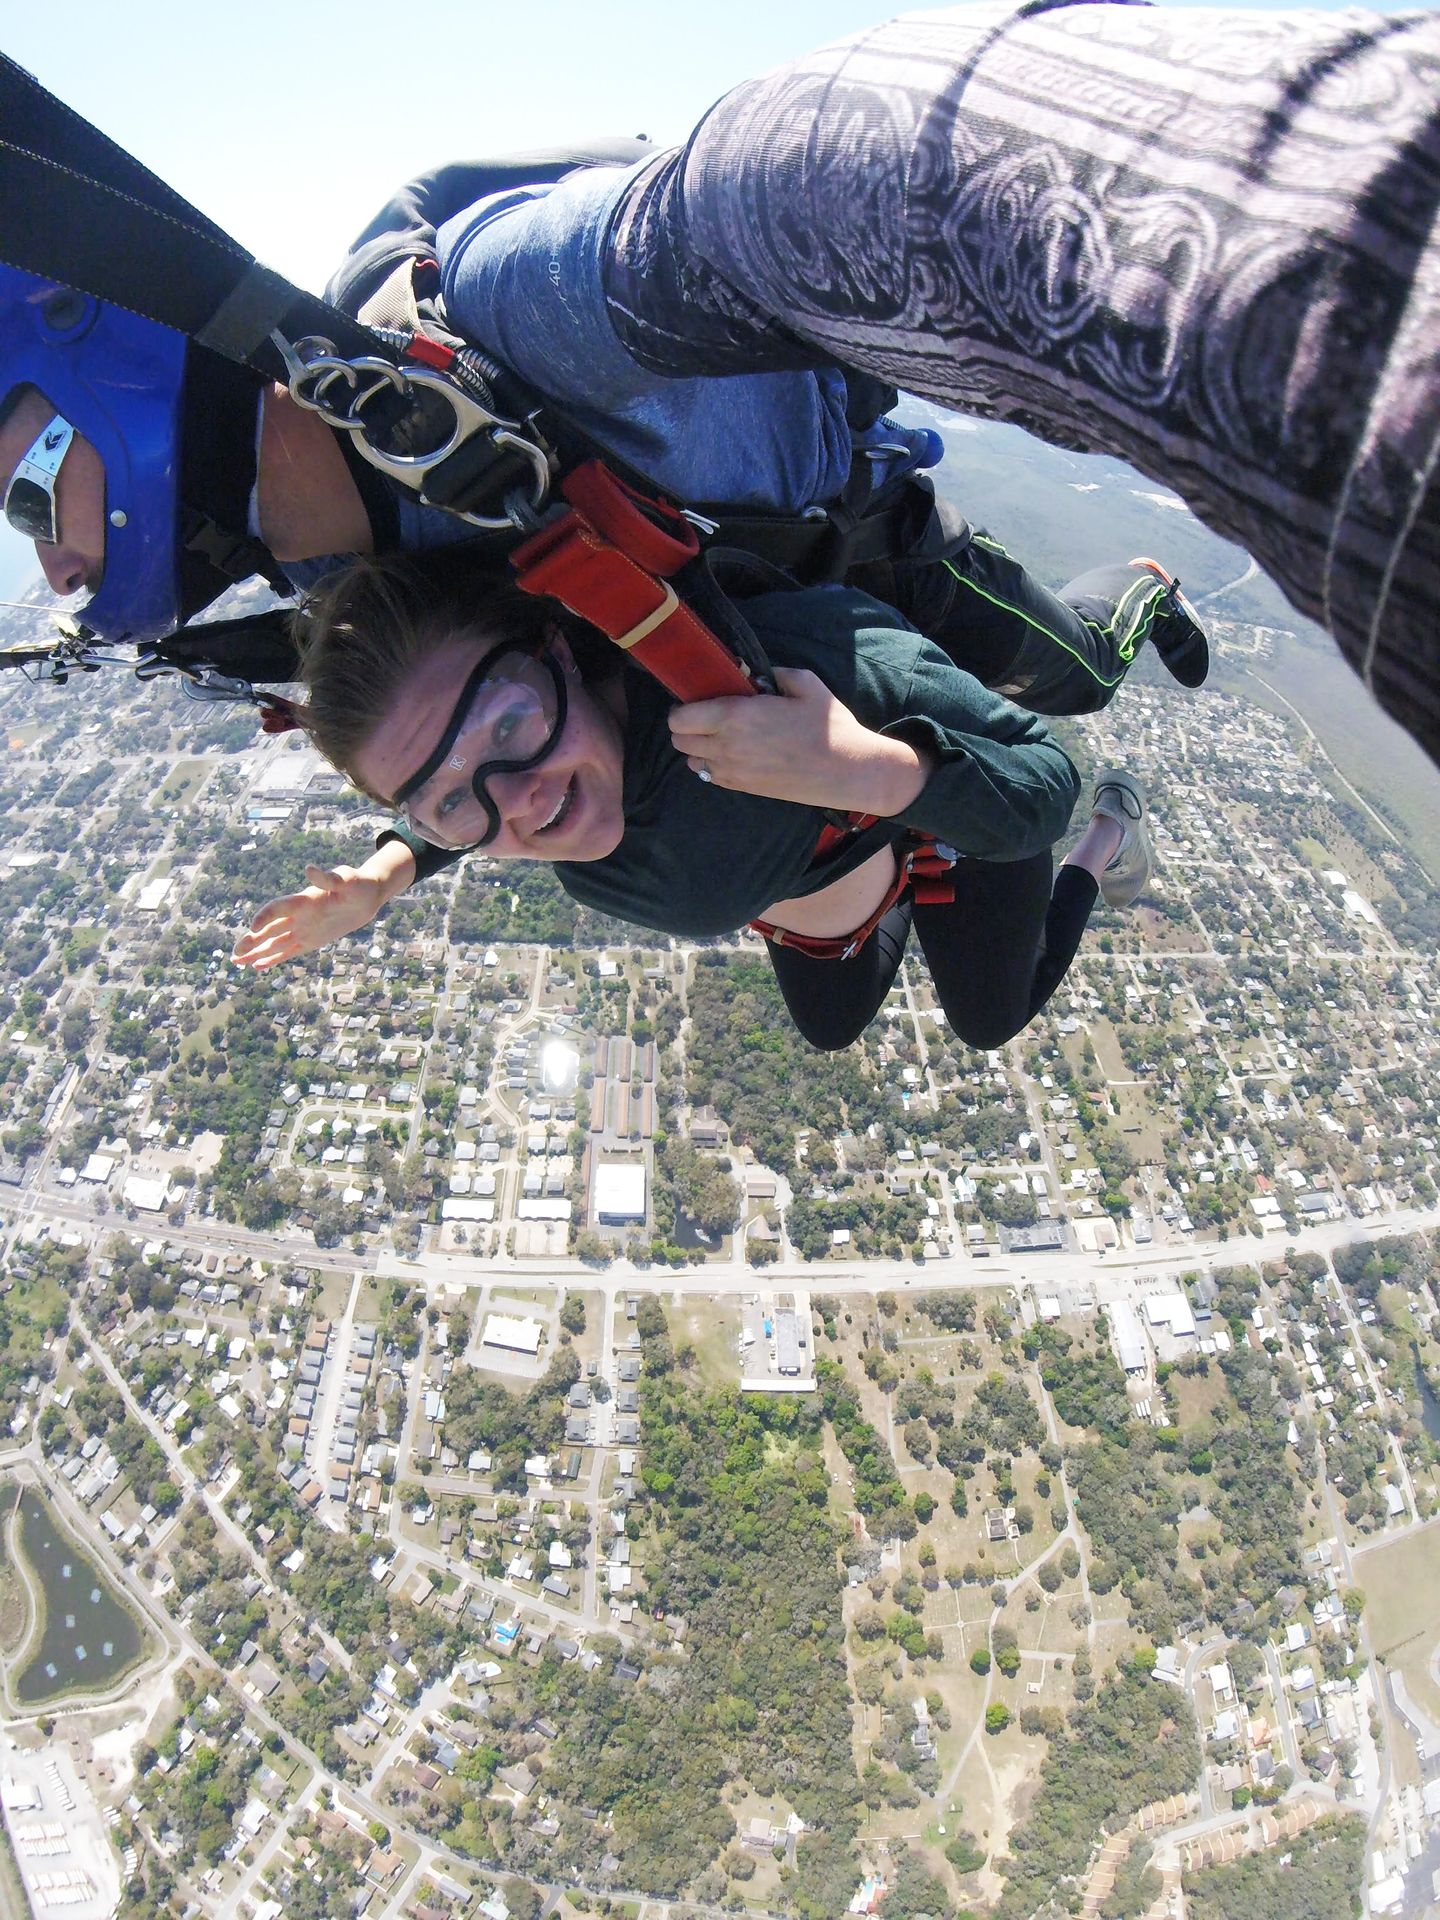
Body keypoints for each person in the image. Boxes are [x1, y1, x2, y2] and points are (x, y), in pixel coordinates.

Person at [233, 557, 1156, 1053]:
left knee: (988, 1021)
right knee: (830, 1030)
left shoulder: (758, 680)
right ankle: (892, 866)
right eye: (444, 805)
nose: (521, 801)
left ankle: (1112, 837)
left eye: (510, 724)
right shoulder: (510, 784)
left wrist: (864, 769)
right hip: (829, 877)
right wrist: (384, 875)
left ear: (563, 651)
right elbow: (466, 785)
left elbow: (1040, 778)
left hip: (950, 809)